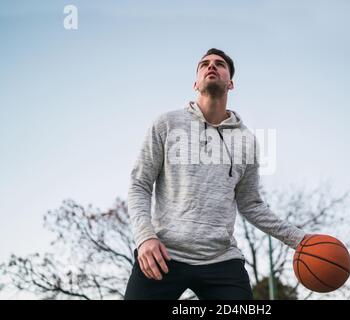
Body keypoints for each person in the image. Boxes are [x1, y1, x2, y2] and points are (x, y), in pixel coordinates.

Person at [124, 48, 307, 300]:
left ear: (230, 83)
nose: (212, 66)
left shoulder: (247, 142)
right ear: (195, 82)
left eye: (219, 64)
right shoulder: (166, 124)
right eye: (204, 64)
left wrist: (301, 239)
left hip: (221, 260)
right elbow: (139, 185)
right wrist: (145, 238)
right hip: (164, 253)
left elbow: (251, 204)